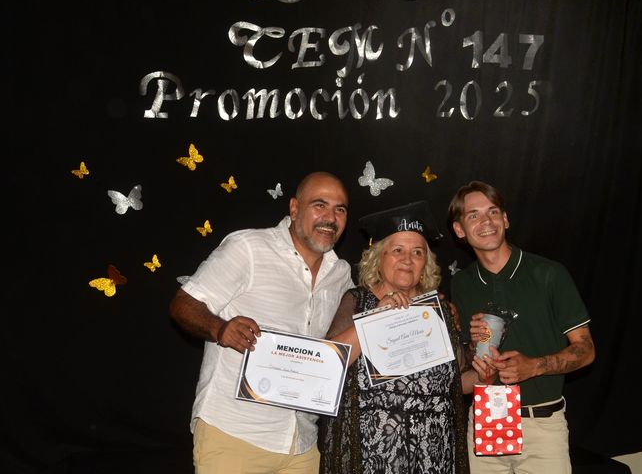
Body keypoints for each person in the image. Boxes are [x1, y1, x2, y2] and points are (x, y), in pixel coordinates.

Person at [169, 171, 353, 474]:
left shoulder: (341, 273)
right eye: (319, 205)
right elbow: (182, 303)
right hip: (235, 434)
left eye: (340, 209)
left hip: (302, 443)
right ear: (294, 209)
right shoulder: (249, 248)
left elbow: (339, 344)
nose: (330, 217)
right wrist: (220, 329)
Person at [318, 200, 479, 474]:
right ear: (379, 257)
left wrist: (487, 374)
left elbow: (458, 382)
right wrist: (375, 319)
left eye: (417, 252)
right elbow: (330, 362)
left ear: (425, 264)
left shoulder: (437, 312)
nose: (408, 259)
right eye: (398, 250)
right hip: (371, 457)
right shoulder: (357, 301)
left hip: (433, 457)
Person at [447, 181, 596, 474]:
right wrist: (473, 345)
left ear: (505, 219)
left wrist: (535, 366)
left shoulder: (549, 274)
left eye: (493, 212)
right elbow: (466, 363)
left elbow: (586, 350)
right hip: (485, 421)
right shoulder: (461, 284)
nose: (486, 221)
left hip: (541, 426)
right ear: (459, 230)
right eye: (473, 215)